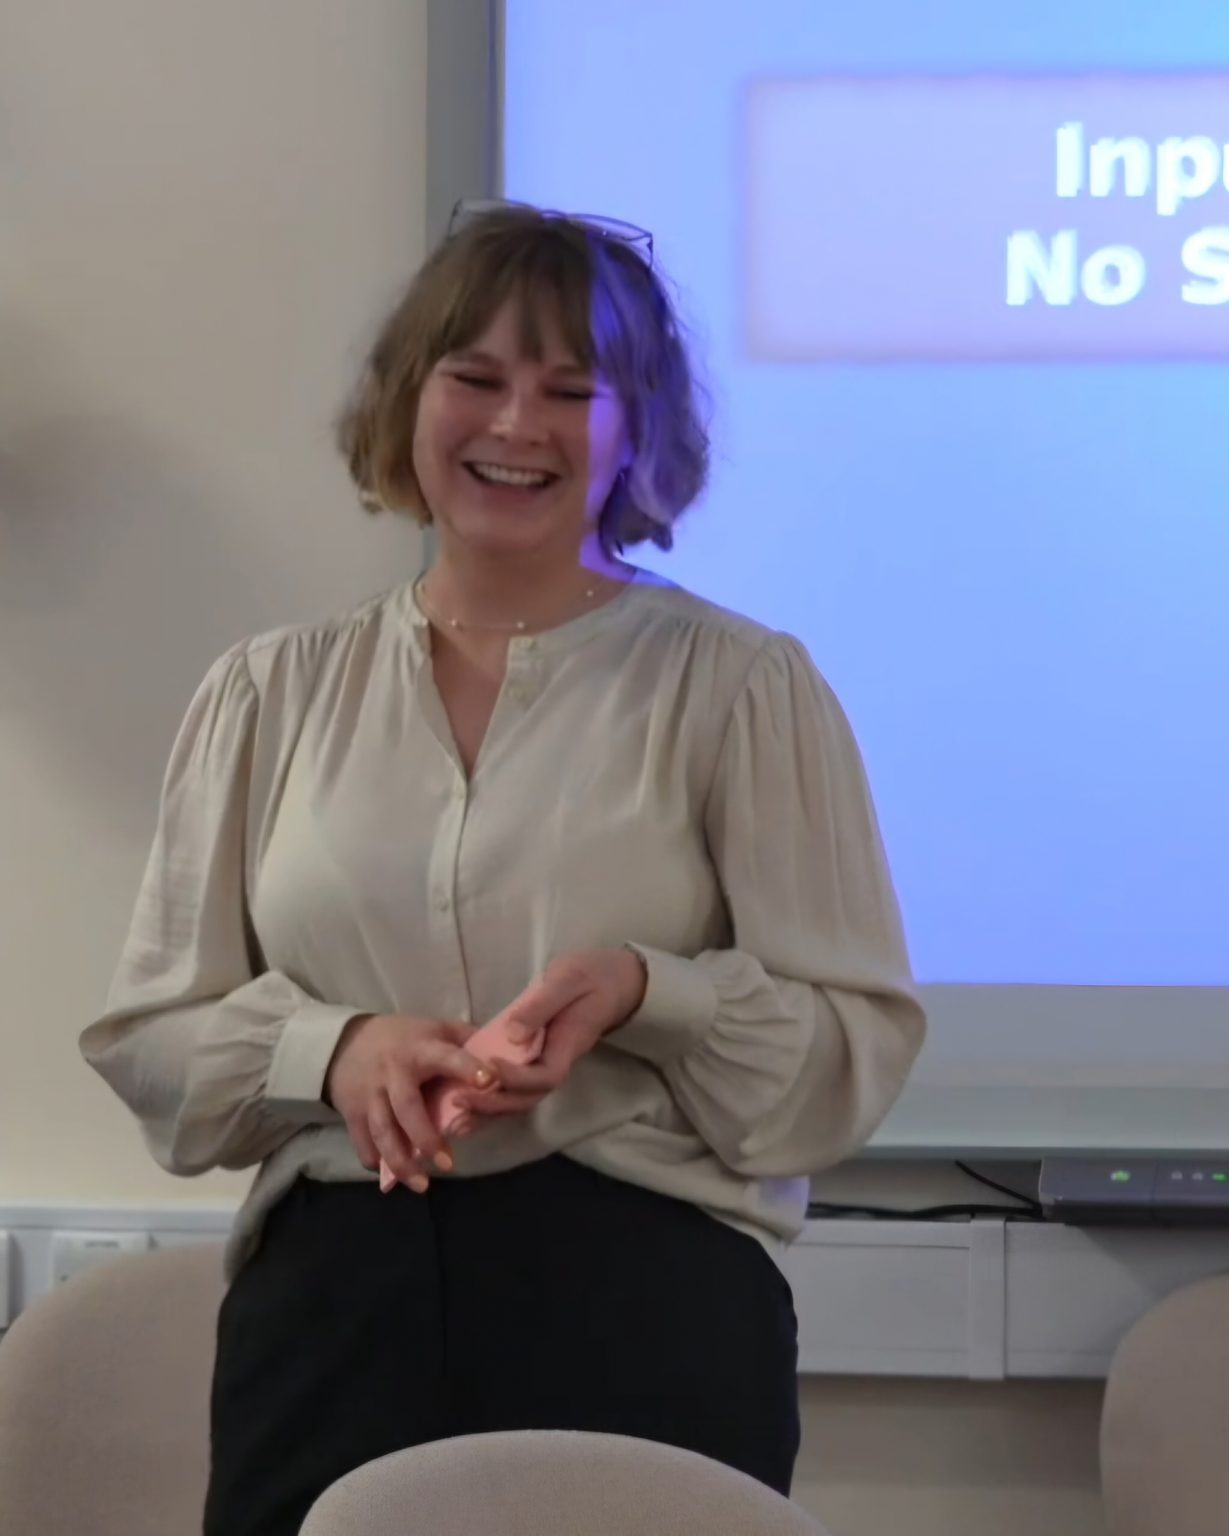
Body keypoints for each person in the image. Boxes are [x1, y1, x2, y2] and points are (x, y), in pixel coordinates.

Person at [80, 200, 926, 1534]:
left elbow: (849, 1054)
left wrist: (646, 992)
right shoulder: (267, 692)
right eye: (474, 377)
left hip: (648, 1299)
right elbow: (151, 1041)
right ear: (405, 402)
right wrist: (332, 1050)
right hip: (332, 1313)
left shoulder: (742, 688)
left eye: (571, 391)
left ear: (636, 428)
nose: (517, 425)